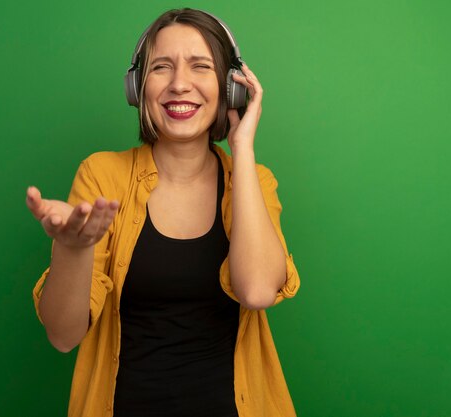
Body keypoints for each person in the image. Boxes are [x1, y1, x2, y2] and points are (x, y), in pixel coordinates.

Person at [27, 8, 300, 417]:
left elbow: (257, 291)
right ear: (137, 87)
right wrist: (73, 249)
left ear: (231, 88)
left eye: (200, 67)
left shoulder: (254, 182)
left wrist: (242, 148)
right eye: (161, 68)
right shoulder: (101, 175)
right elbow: (63, 336)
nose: (179, 85)